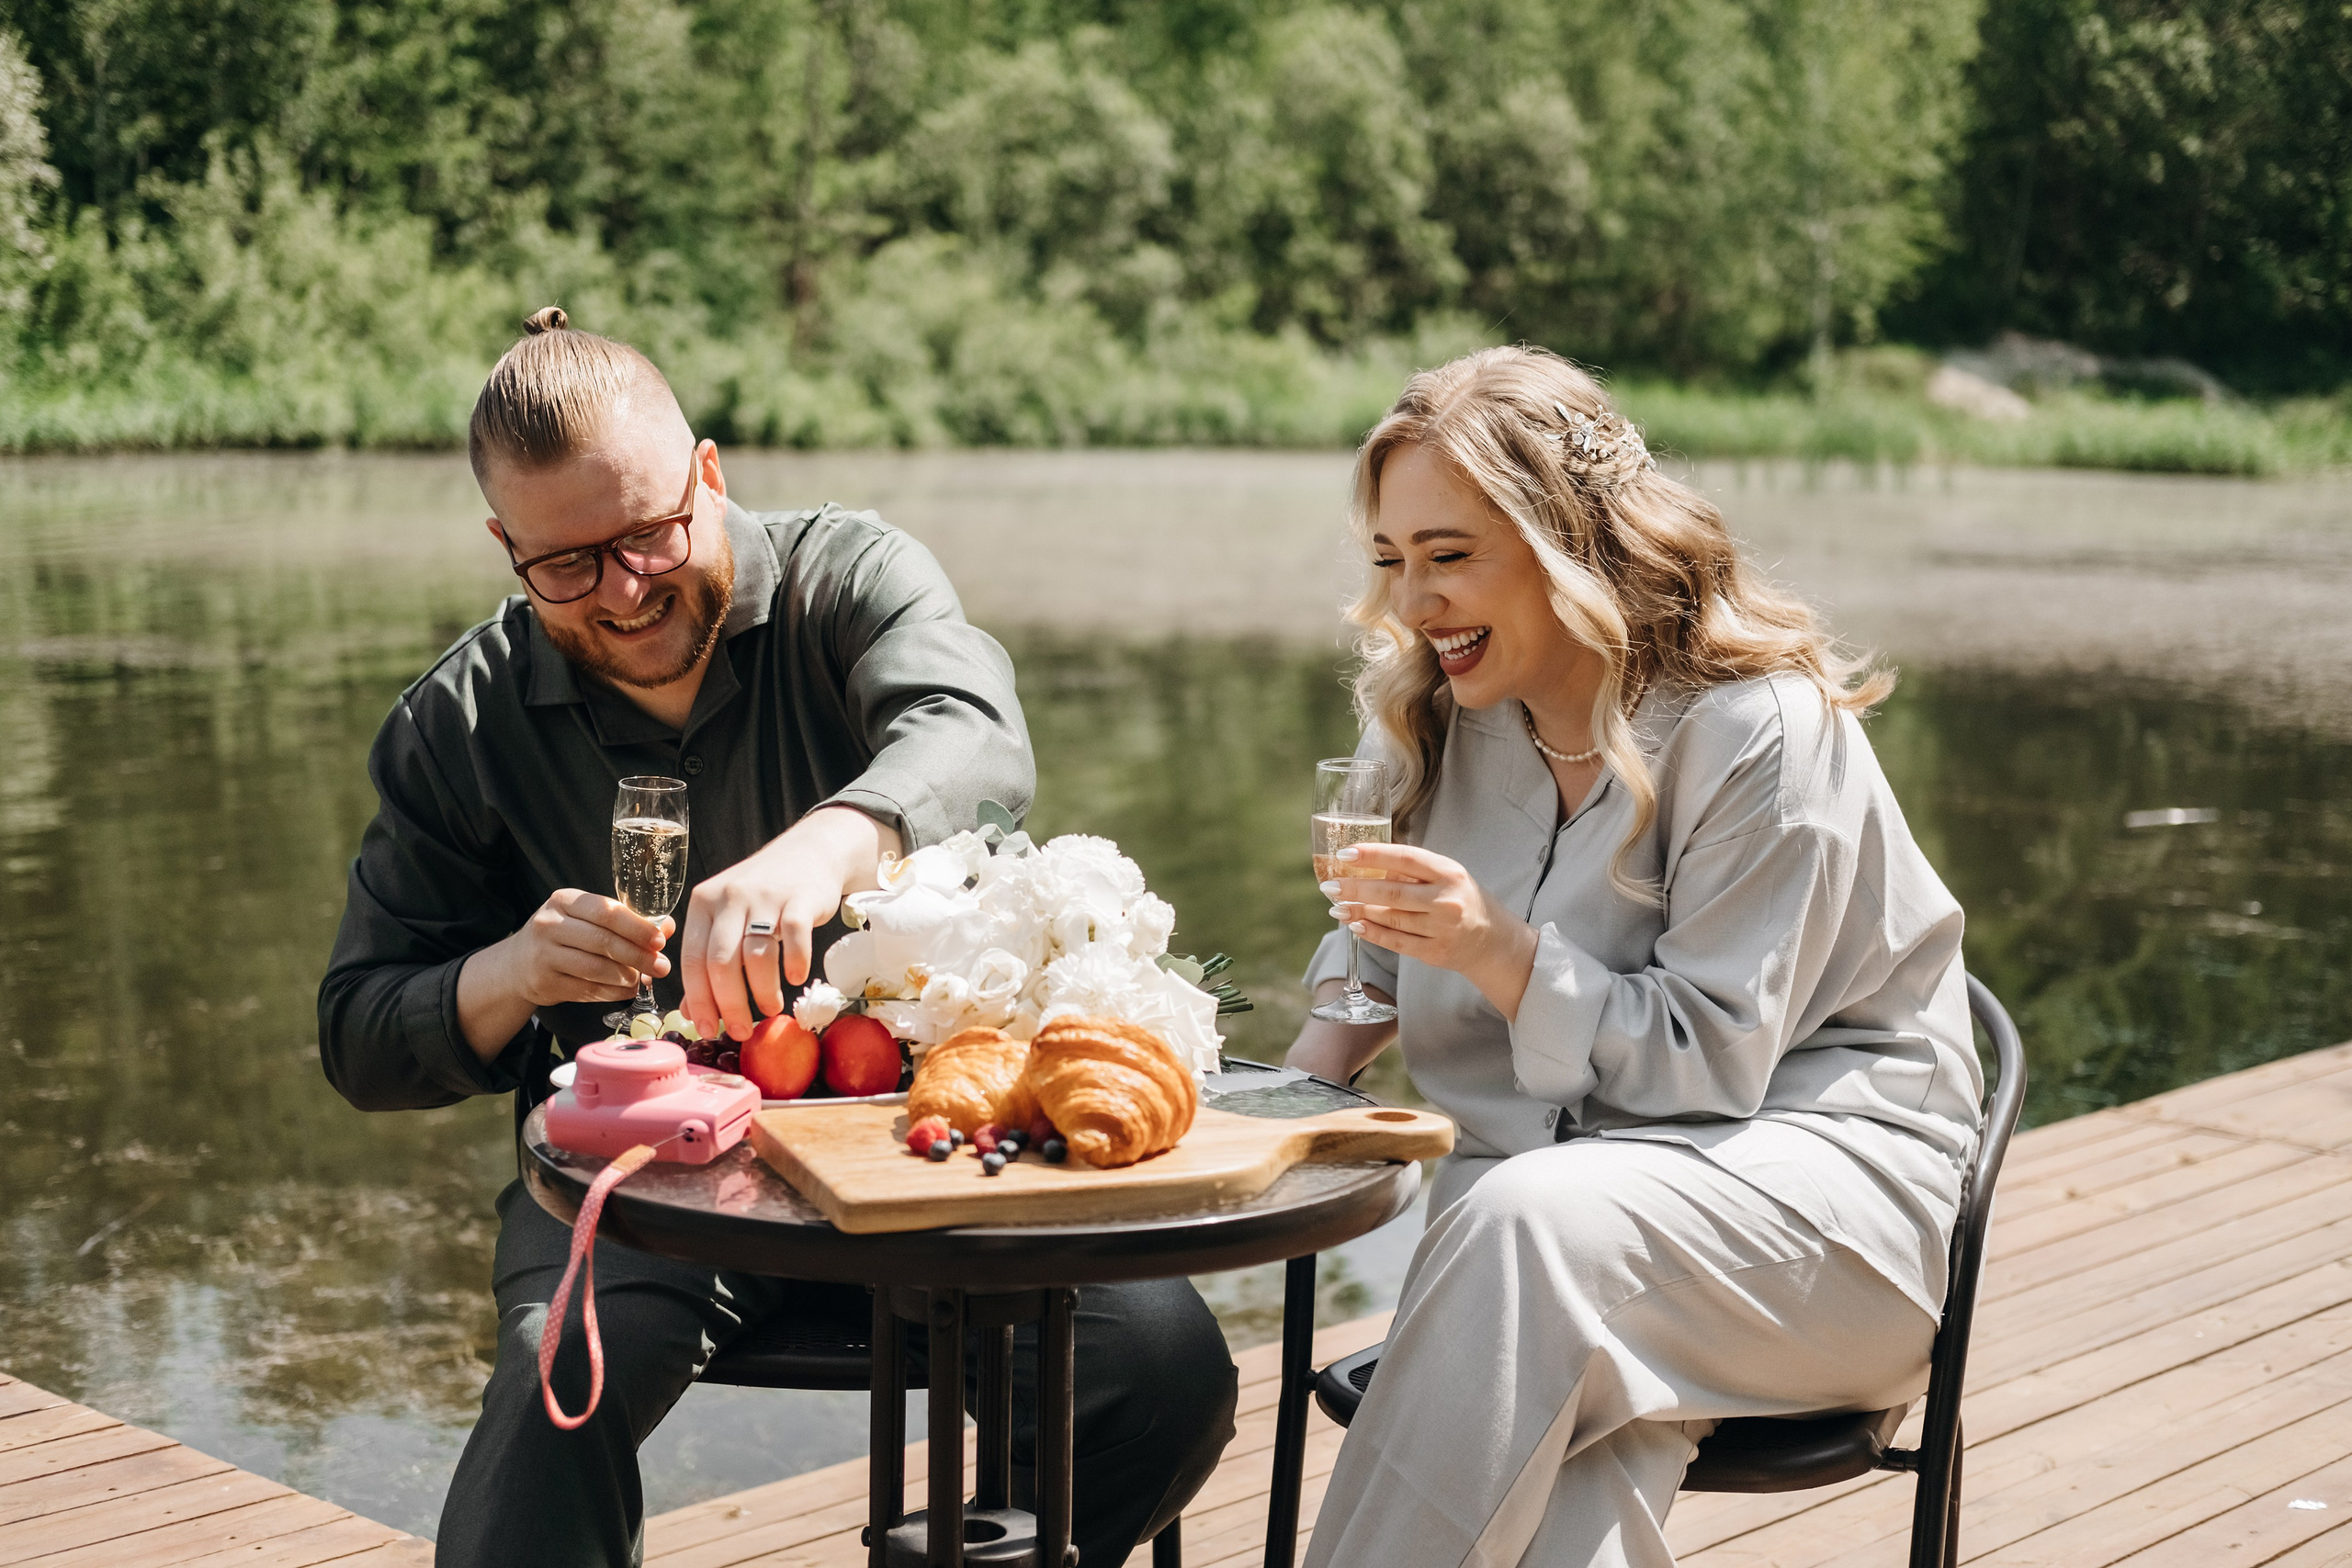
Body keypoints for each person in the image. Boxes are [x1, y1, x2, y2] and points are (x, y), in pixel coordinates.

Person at [317, 308, 1235, 1568]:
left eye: (648, 536)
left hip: (924, 1150)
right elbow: (360, 1036)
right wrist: (508, 974)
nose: (624, 593)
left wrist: (830, 842)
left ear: (709, 473)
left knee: (1163, 1369)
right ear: (504, 547)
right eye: (566, 567)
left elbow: (977, 735)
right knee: (547, 1399)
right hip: (643, 1189)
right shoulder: (458, 721)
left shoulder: (852, 577)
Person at [1286, 345, 1981, 1568]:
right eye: (1392, 561)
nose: (1413, 603)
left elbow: (1709, 1067)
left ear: (1573, 541)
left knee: (1524, 1231)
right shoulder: (1436, 719)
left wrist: (1501, 954)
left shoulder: (1759, 728)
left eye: (1451, 556)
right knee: (1565, 1500)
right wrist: (1282, 1106)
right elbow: (1368, 972)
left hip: (1815, 1223)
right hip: (1560, 1246)